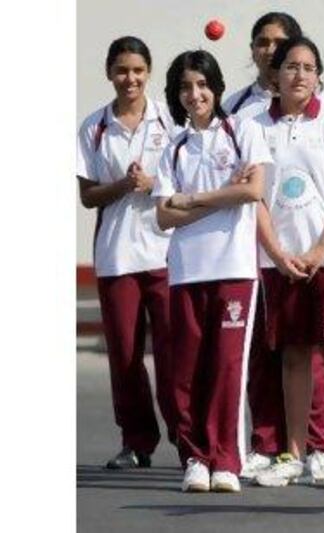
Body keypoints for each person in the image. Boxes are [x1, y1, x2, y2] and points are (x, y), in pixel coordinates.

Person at [249, 36, 324, 490]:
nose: (299, 74)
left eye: (308, 67)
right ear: (276, 75)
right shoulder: (256, 126)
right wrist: (278, 253)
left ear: (319, 75)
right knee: (294, 354)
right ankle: (294, 454)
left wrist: (321, 248)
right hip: (280, 262)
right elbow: (255, 196)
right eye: (291, 66)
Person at [224, 11, 324, 482]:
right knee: (263, 354)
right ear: (252, 50)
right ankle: (267, 445)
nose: (270, 51)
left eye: (279, 43)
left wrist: (318, 246)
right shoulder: (237, 107)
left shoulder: (323, 107)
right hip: (253, 252)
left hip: (307, 251)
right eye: (262, 43)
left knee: (311, 351)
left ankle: (319, 444)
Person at [153, 49, 272, 493]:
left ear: (216, 87)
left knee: (226, 367)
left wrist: (193, 198)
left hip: (234, 269)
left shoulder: (243, 131)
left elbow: (254, 190)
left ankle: (225, 459)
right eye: (186, 87)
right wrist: (225, 193)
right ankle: (195, 459)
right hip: (186, 270)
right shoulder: (175, 146)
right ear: (177, 94)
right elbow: (163, 218)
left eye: (202, 85)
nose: (195, 94)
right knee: (187, 370)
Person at [76, 36, 176, 470]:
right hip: (117, 257)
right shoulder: (94, 127)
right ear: (109, 73)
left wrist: (152, 184)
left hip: (169, 255)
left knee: (178, 354)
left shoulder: (170, 120)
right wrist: (123, 185)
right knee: (125, 356)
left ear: (148, 72)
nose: (129, 78)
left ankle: (190, 441)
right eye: (122, 70)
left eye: (137, 70)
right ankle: (137, 441)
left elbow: (188, 181)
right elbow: (88, 195)